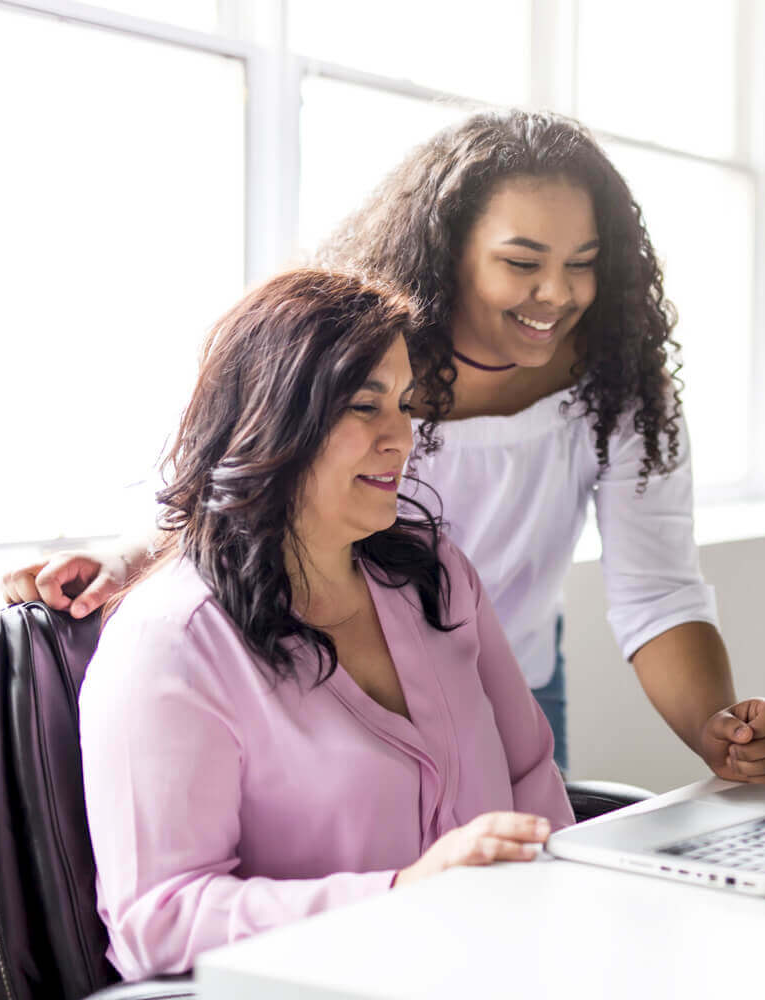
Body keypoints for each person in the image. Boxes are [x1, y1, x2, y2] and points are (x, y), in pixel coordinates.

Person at [5, 109, 765, 785]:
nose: (558, 295)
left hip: (513, 682)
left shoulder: (621, 391)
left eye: (582, 266)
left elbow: (657, 594)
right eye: (522, 263)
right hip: (348, 678)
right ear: (451, 251)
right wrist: (130, 558)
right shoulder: (372, 363)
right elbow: (255, 479)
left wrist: (717, 729)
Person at [80, 269, 573, 979]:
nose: (400, 437)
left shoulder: (432, 571)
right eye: (364, 406)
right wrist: (401, 895)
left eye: (403, 405)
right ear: (275, 418)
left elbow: (530, 771)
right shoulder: (173, 644)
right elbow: (156, 921)